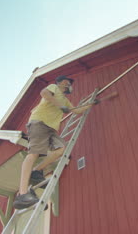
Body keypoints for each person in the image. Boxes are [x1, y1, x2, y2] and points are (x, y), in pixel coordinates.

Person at [13, 75, 93, 209]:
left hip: (51, 129)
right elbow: (43, 93)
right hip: (39, 122)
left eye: (69, 83)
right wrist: (60, 106)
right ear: (60, 83)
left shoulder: (66, 100)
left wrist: (91, 104)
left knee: (61, 150)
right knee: (34, 154)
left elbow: (76, 111)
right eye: (67, 82)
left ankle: (37, 171)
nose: (68, 85)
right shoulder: (53, 87)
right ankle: (22, 194)